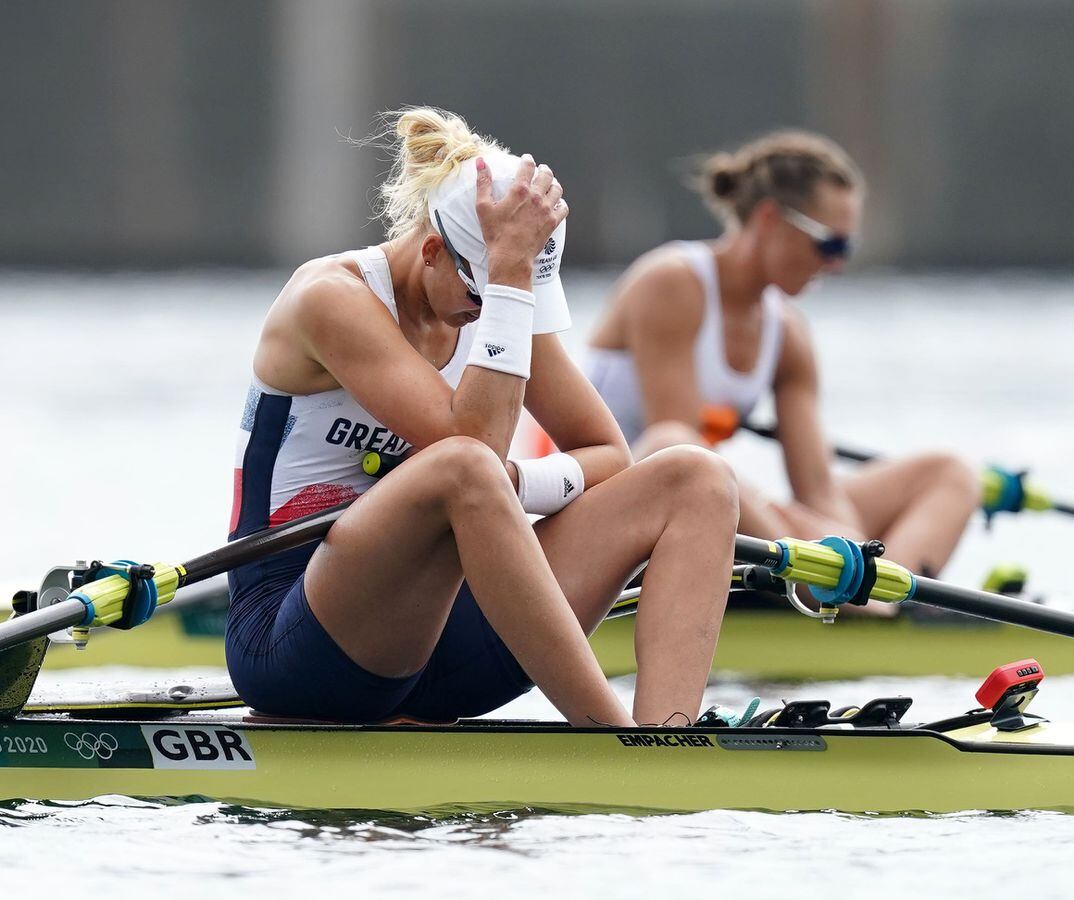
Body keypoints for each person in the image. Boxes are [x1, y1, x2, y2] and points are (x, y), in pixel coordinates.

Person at [226, 108, 739, 728]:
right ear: (433, 251)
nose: (495, 310)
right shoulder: (331, 299)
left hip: (447, 644)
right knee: (463, 465)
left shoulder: (492, 301)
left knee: (695, 479)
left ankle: (671, 736)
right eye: (490, 292)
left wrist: (513, 486)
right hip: (300, 643)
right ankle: (615, 739)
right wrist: (508, 289)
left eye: (518, 292)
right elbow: (472, 449)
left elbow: (608, 453)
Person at [586, 131, 978, 611]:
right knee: (672, 443)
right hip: (610, 515)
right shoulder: (671, 283)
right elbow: (682, 458)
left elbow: (817, 487)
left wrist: (842, 536)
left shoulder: (788, 333)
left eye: (846, 249)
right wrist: (811, 536)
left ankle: (884, 599)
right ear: (770, 218)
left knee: (949, 474)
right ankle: (846, 595)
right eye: (828, 243)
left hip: (712, 511)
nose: (835, 265)